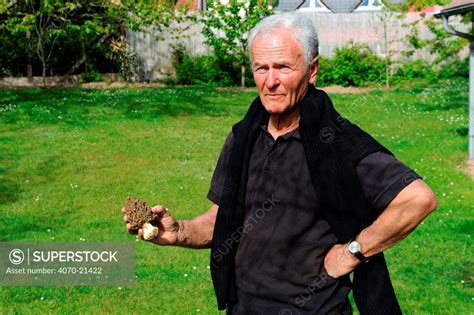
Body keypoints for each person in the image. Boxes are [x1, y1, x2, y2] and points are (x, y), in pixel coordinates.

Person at [122, 12, 437, 314]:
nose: (270, 81)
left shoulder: (337, 141)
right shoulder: (242, 137)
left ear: (312, 70)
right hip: (243, 306)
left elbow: (417, 199)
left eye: (283, 67)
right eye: (261, 68)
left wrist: (352, 251)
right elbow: (223, 220)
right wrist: (179, 232)